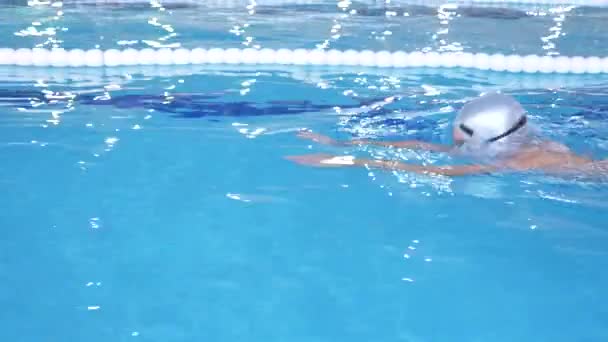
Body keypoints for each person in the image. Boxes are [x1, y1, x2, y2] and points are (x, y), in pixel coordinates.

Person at [285, 92, 608, 178]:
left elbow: (440, 170)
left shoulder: (523, 161)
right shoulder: (510, 145)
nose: (456, 143)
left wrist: (348, 160)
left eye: (463, 137)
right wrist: (342, 142)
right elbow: (424, 147)